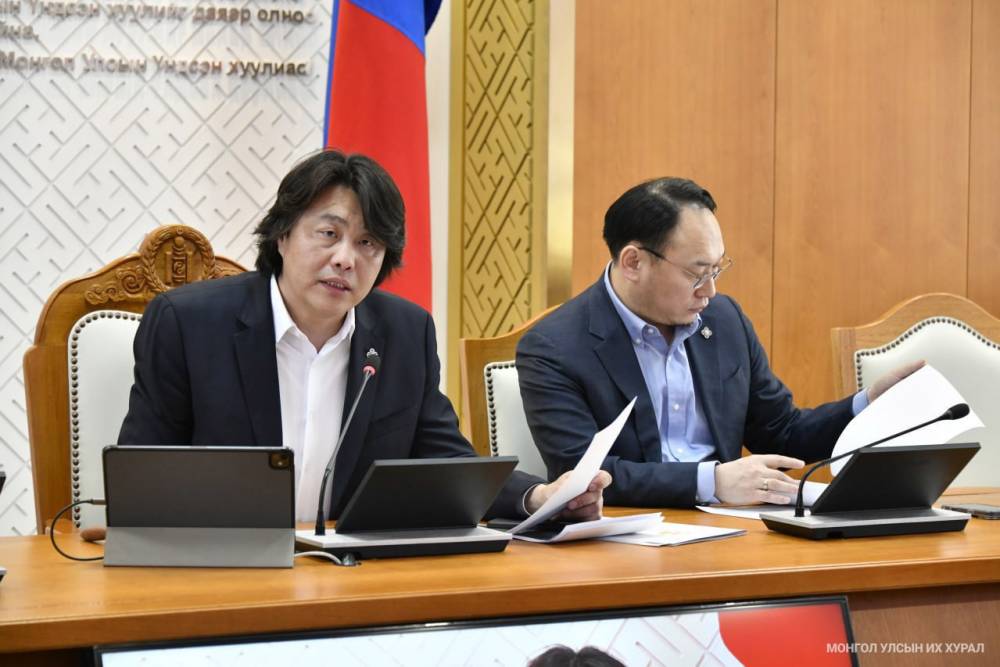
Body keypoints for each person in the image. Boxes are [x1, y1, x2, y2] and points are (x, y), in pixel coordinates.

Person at [118, 149, 610, 522]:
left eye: (368, 243)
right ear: (282, 235)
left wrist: (539, 497)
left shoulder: (404, 332)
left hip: (349, 576)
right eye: (328, 234)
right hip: (219, 566)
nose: (345, 259)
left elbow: (444, 460)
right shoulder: (189, 323)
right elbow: (142, 474)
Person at [516, 177, 921, 508]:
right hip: (626, 538)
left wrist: (867, 404)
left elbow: (781, 431)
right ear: (633, 262)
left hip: (733, 528)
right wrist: (711, 481)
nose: (709, 290)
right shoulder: (554, 347)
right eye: (697, 273)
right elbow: (582, 474)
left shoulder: (724, 320)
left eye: (717, 269)